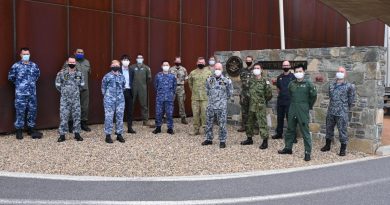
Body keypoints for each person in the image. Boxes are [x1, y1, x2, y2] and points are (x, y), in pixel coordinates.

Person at [278, 64, 317, 161]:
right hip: (292, 107)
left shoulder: (309, 84)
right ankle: (288, 148)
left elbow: (313, 97)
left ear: (304, 72)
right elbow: (291, 95)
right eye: (296, 71)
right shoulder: (291, 84)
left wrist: (308, 106)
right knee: (290, 129)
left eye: (300, 71)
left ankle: (307, 152)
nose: (298, 73)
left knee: (305, 131)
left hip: (303, 108)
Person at [8, 47, 42, 139]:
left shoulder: (34, 66)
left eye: (27, 54)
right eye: (24, 54)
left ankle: (31, 128)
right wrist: (20, 85)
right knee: (20, 111)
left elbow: (37, 76)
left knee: (32, 111)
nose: (26, 55)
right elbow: (11, 77)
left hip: (32, 93)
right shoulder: (16, 66)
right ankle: (19, 130)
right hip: (20, 94)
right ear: (20, 55)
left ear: (29, 55)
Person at [321, 67, 355, 156]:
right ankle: (327, 146)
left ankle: (343, 149)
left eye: (342, 71)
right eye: (338, 71)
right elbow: (330, 96)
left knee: (342, 131)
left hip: (342, 112)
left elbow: (351, 100)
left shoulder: (349, 86)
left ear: (345, 74)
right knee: (328, 129)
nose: (340, 73)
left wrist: (344, 108)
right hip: (331, 111)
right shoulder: (331, 85)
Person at [240, 64, 272, 149]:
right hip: (251, 105)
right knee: (249, 123)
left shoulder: (265, 81)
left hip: (260, 106)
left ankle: (265, 141)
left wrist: (262, 101)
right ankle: (249, 139)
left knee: (262, 124)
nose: (256, 70)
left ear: (261, 70)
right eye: (255, 68)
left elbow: (269, 95)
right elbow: (248, 92)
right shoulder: (251, 80)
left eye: (258, 68)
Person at [201, 63, 233, 148]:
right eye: (216, 68)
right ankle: (209, 139)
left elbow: (230, 93)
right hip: (211, 105)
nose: (217, 70)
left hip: (221, 106)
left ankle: (222, 140)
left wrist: (222, 100)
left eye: (219, 68)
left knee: (222, 124)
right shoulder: (209, 79)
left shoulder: (227, 80)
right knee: (208, 123)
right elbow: (207, 90)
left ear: (222, 69)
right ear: (213, 69)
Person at [55, 56, 84, 142]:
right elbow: (57, 85)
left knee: (77, 116)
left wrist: (75, 92)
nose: (72, 64)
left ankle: (77, 134)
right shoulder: (61, 73)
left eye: (73, 63)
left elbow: (82, 86)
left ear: (75, 63)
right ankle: (62, 134)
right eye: (70, 63)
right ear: (67, 63)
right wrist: (65, 92)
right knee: (64, 116)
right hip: (65, 99)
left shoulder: (79, 74)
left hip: (76, 99)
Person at [62, 48, 91, 132]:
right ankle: (71, 124)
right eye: (78, 52)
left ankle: (83, 123)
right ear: (74, 53)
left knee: (84, 106)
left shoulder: (87, 62)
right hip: (73, 89)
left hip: (84, 88)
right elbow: (64, 73)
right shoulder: (70, 62)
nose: (80, 54)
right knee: (72, 107)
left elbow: (88, 73)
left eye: (82, 52)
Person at [101, 60, 126, 143]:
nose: (115, 66)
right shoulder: (107, 76)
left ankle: (119, 134)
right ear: (111, 66)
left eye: (117, 64)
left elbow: (123, 87)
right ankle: (108, 136)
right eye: (114, 64)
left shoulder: (122, 76)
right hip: (109, 100)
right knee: (109, 117)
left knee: (120, 117)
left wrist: (119, 95)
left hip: (120, 100)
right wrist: (107, 96)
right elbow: (103, 88)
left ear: (119, 66)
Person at [188, 57, 212, 135]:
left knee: (205, 114)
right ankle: (196, 129)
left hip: (205, 97)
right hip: (195, 97)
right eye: (199, 62)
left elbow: (211, 83)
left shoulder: (209, 72)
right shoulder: (192, 73)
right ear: (197, 63)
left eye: (202, 62)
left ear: (204, 63)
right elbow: (190, 83)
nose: (201, 63)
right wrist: (194, 91)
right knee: (195, 114)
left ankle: (205, 129)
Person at [272, 60, 296, 140]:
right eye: (284, 65)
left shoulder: (293, 77)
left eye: (287, 65)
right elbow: (278, 89)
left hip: (290, 102)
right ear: (282, 67)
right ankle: (279, 134)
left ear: (289, 66)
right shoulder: (279, 77)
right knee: (280, 118)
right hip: (281, 101)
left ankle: (293, 136)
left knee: (291, 120)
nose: (285, 67)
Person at [152, 60, 177, 135]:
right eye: (164, 65)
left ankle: (170, 128)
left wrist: (170, 94)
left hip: (169, 98)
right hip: (160, 97)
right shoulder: (158, 75)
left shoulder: (172, 76)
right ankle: (158, 127)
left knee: (169, 113)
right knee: (158, 113)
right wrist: (161, 93)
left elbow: (174, 86)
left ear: (169, 66)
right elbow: (155, 85)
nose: (165, 66)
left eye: (167, 65)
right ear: (161, 66)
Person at [130, 54, 152, 126]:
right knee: (131, 104)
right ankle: (130, 121)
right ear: (136, 59)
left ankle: (145, 121)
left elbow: (149, 79)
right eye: (138, 58)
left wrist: (143, 85)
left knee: (144, 105)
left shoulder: (146, 68)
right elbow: (129, 78)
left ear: (143, 59)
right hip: (133, 88)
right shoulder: (132, 67)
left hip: (143, 89)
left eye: (141, 58)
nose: (139, 59)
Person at [169, 56, 189, 124]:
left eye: (179, 61)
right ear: (174, 61)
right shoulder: (170, 69)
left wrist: (182, 83)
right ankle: (167, 117)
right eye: (177, 61)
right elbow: (168, 78)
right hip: (172, 88)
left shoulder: (184, 69)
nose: (178, 62)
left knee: (181, 103)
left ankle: (183, 118)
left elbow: (186, 79)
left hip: (181, 88)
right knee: (170, 103)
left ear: (180, 61)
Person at [237, 56, 254, 132]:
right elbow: (241, 81)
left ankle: (254, 128)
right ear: (245, 61)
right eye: (247, 60)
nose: (248, 62)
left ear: (252, 61)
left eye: (249, 60)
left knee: (253, 110)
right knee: (244, 111)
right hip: (244, 93)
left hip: (252, 93)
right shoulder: (242, 70)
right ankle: (244, 126)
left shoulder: (255, 70)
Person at [120, 55, 136, 134]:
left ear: (129, 62)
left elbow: (133, 81)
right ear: (121, 61)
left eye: (127, 60)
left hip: (129, 91)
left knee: (130, 110)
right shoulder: (118, 70)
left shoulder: (132, 70)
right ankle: (119, 129)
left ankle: (130, 127)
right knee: (120, 110)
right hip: (121, 92)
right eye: (124, 59)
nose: (126, 61)